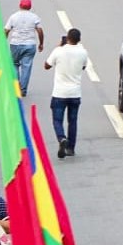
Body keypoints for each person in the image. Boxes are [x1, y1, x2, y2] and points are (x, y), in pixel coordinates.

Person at [45, 27, 87, 158]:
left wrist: (59, 46)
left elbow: (46, 65)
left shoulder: (58, 51)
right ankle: (71, 148)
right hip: (75, 93)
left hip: (60, 93)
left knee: (57, 120)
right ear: (79, 40)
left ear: (67, 38)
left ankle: (62, 138)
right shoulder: (83, 52)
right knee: (72, 121)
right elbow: (84, 67)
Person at [5, 0, 44, 97]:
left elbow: (6, 30)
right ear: (30, 7)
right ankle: (23, 90)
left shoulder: (13, 16)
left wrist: (3, 41)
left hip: (15, 44)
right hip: (30, 44)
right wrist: (41, 43)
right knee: (27, 67)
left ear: (20, 5)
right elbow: (39, 30)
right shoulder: (34, 17)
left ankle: (16, 87)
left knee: (14, 64)